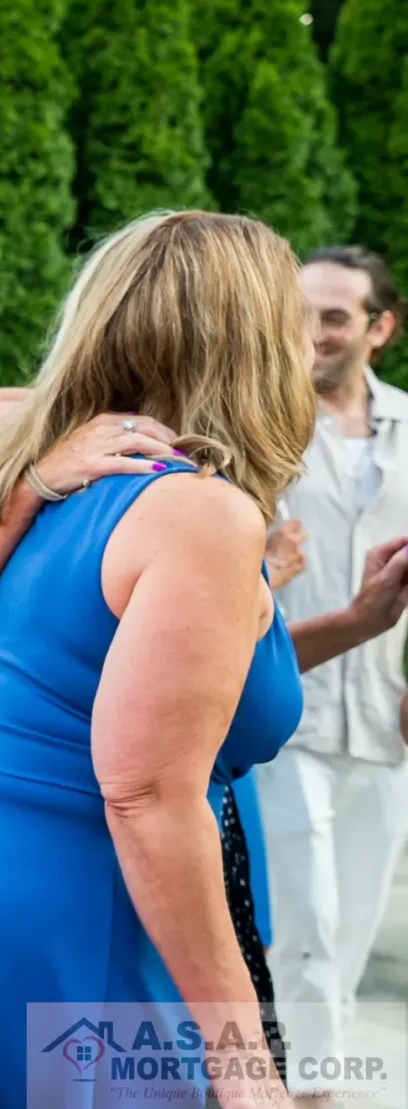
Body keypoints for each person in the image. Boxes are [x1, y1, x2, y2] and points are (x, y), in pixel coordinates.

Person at [0, 211, 321, 1109]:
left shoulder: (62, 484)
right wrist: (244, 1060)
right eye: (292, 322)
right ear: (251, 343)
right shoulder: (200, 515)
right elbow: (145, 796)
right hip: (93, 937)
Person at [258, 245, 408, 1106]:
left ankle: (294, 1083)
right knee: (305, 921)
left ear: (379, 328)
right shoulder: (262, 426)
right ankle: (307, 1096)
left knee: (348, 928)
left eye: (336, 316)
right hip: (287, 713)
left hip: (381, 722)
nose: (314, 332)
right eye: (303, 312)